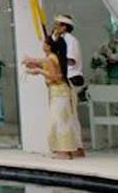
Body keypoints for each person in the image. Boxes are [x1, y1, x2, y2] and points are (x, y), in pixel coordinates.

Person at [24, 36, 78, 159]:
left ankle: (64, 152)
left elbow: (54, 77)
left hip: (58, 92)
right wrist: (35, 67)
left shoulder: (50, 58)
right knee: (61, 121)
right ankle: (63, 150)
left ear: (48, 46)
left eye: (44, 43)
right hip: (60, 92)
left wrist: (39, 71)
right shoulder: (53, 58)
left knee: (58, 121)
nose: (42, 45)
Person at [53, 14, 86, 157]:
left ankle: (75, 147)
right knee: (66, 115)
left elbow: (71, 60)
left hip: (71, 78)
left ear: (64, 27)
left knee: (69, 115)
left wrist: (55, 60)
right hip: (63, 79)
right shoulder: (60, 40)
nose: (55, 27)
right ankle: (73, 146)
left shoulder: (70, 40)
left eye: (58, 24)